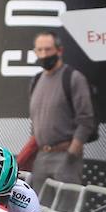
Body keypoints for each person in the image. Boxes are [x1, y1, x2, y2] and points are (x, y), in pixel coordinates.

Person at [27, 30, 96, 190]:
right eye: (40, 50)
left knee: (64, 210)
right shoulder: (36, 81)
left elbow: (86, 119)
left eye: (48, 49)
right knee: (40, 210)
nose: (44, 54)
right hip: (41, 157)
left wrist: (72, 152)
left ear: (59, 50)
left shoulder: (73, 78)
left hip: (65, 156)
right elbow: (35, 121)